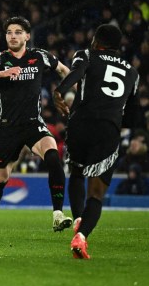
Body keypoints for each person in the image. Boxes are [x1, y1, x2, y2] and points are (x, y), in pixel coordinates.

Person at [0, 16, 72, 237]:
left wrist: (62, 92)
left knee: (54, 158)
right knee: (0, 177)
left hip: (33, 124)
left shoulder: (39, 56)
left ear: (27, 36)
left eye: (18, 32)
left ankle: (57, 214)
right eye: (9, 32)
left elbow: (65, 71)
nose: (13, 36)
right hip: (8, 127)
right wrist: (2, 73)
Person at [54, 24, 140, 259]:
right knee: (96, 193)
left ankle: (79, 217)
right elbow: (133, 115)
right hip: (108, 130)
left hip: (81, 124)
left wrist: (59, 91)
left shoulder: (86, 55)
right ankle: (81, 237)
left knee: (76, 172)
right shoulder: (132, 72)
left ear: (96, 41)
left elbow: (77, 73)